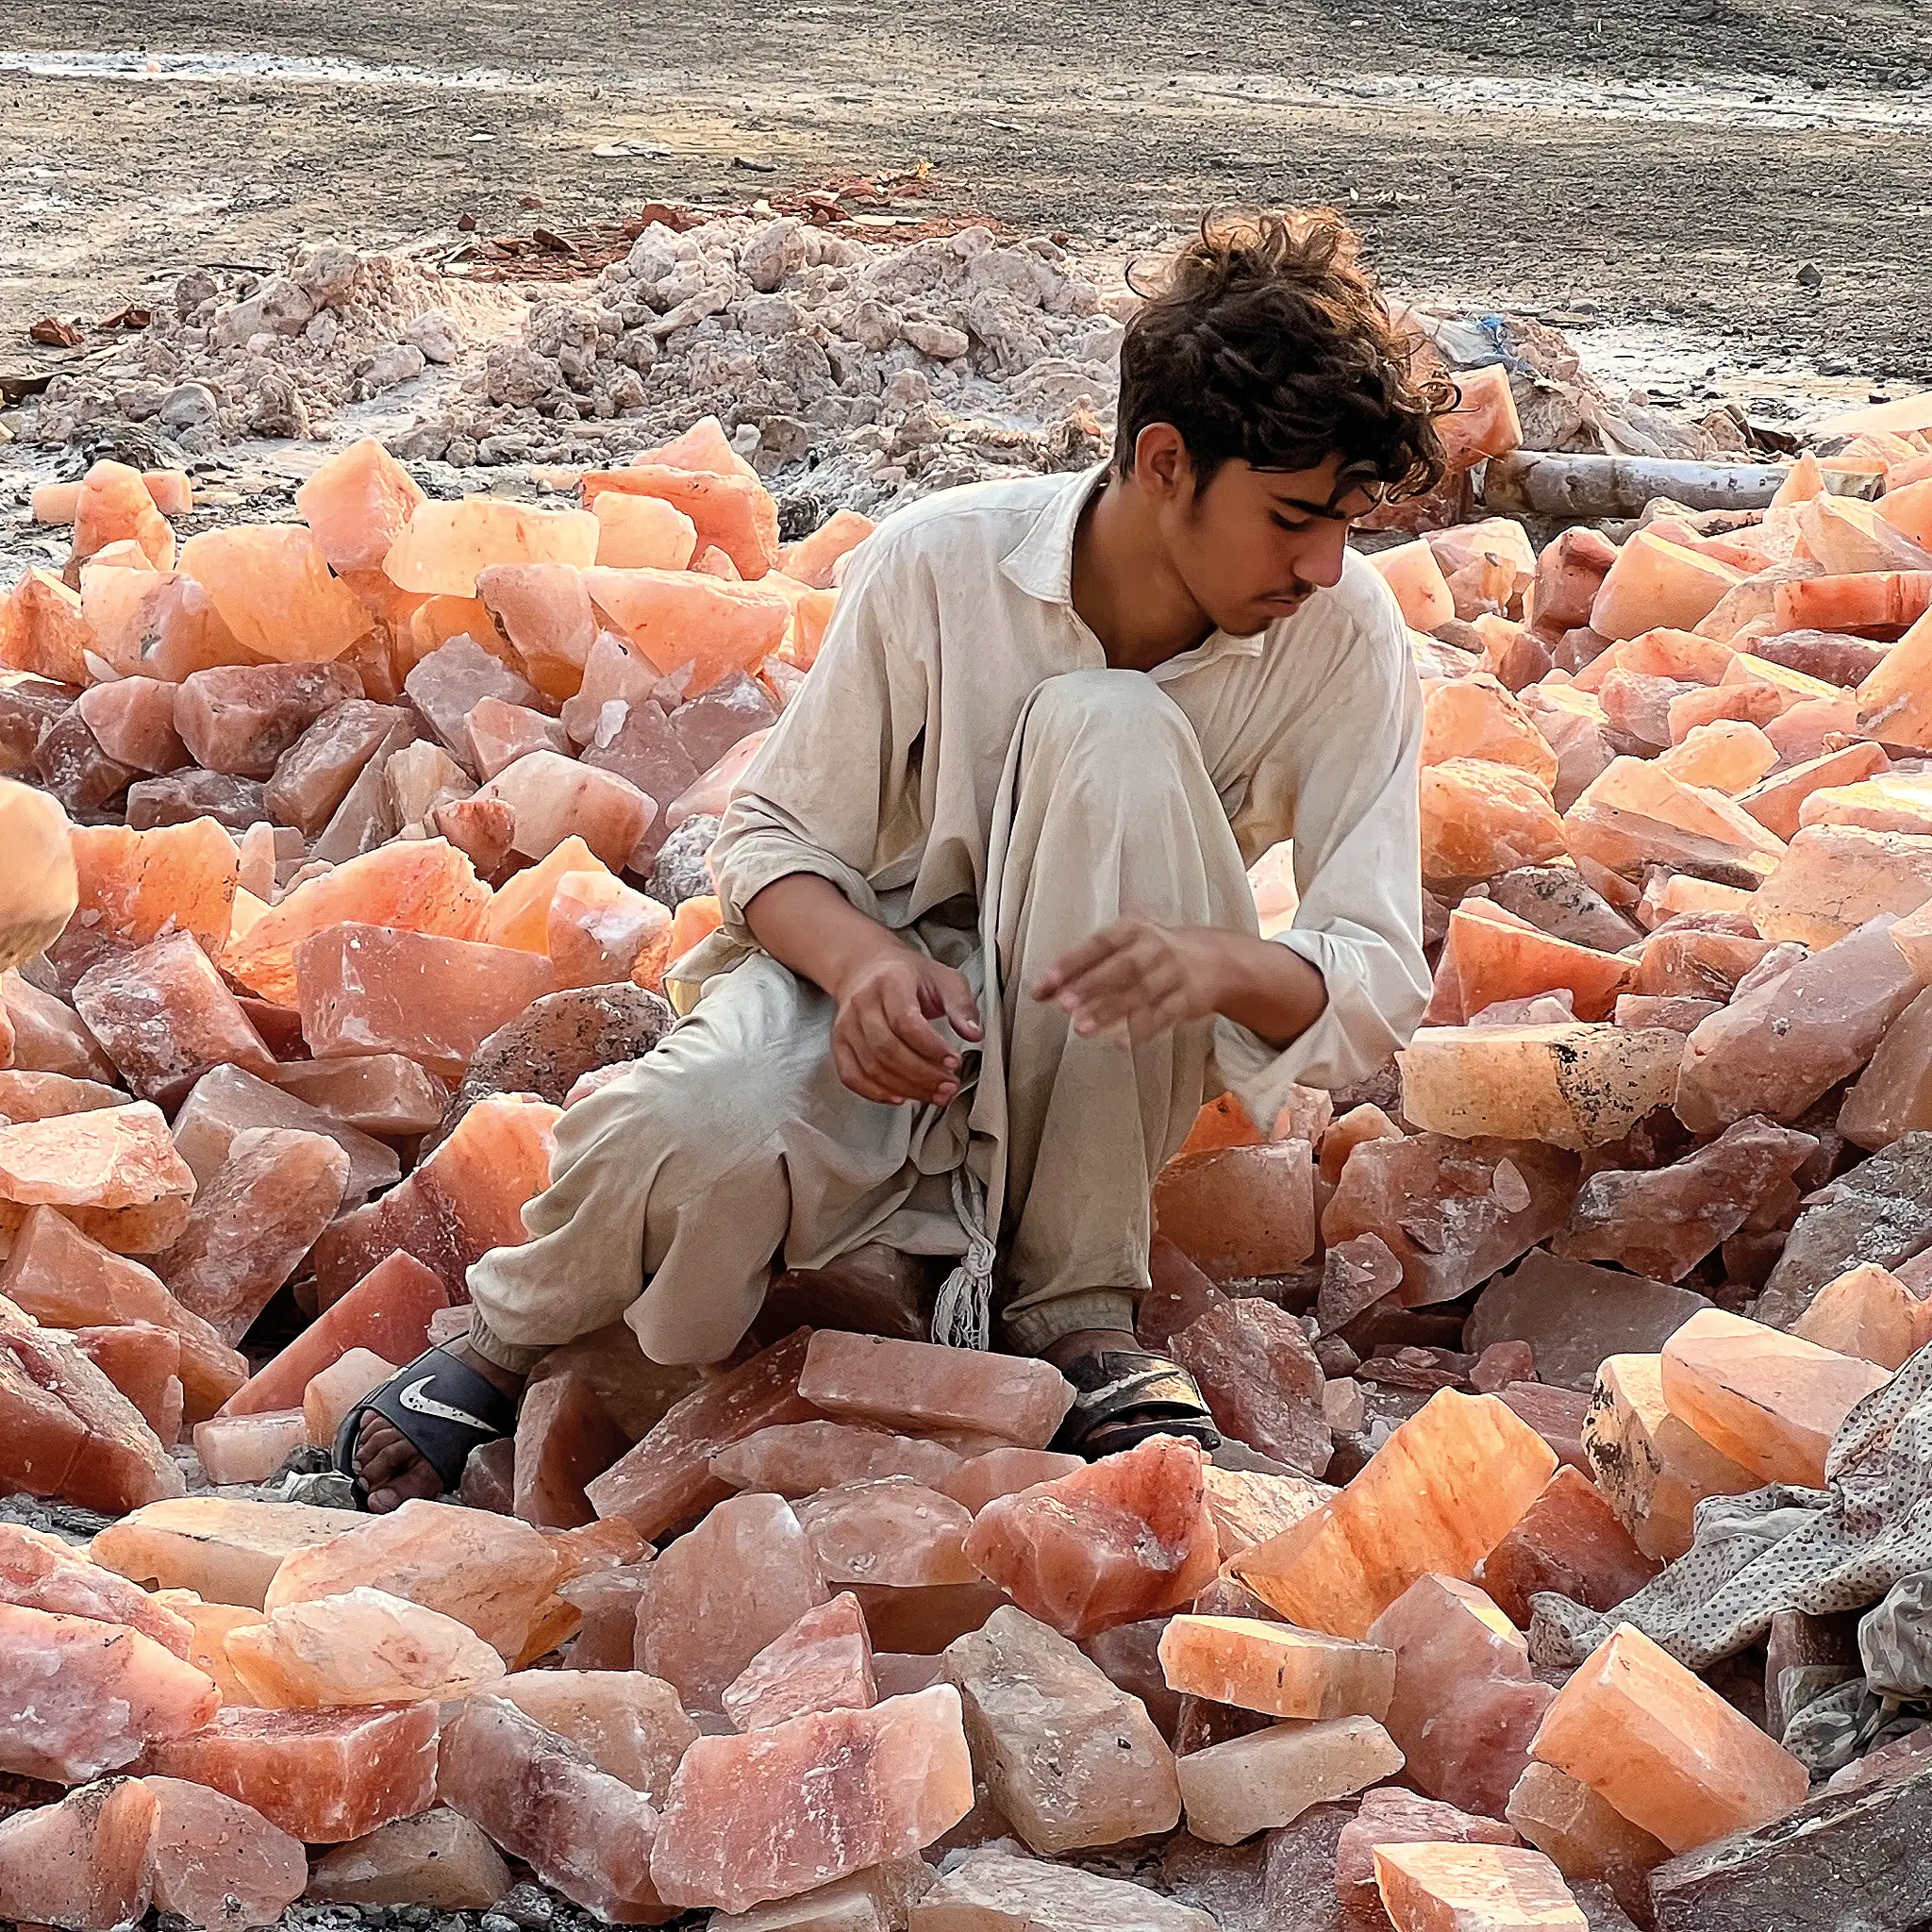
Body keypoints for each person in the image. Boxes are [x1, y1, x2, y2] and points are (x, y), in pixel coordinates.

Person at [344, 207, 1453, 1511]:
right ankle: (506, 1332)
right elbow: (769, 843)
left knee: (1110, 725)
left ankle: (1080, 1310)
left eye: (1349, 525)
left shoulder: (1345, 633)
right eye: (1292, 519)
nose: (1326, 565)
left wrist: (1224, 965)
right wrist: (865, 970)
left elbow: (1377, 965)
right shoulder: (940, 563)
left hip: (1107, 1035)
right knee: (695, 1126)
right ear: (1164, 462)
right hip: (870, 985)